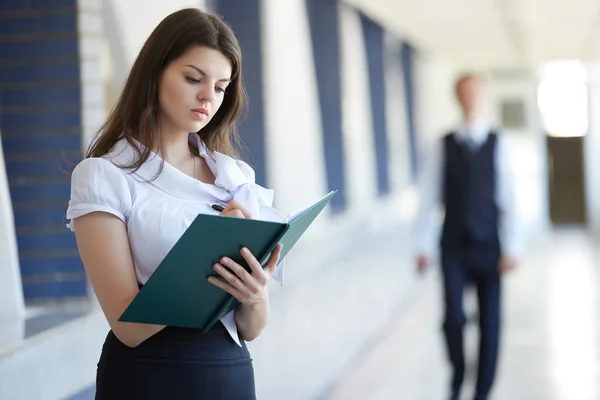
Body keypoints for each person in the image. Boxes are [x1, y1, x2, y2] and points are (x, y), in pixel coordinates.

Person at [66, 8, 286, 399]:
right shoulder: (103, 176)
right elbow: (128, 326)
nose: (208, 97)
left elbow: (250, 328)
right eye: (193, 78)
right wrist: (212, 253)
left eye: (221, 86)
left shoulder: (234, 177)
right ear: (155, 73)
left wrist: (254, 294)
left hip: (230, 373)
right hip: (148, 376)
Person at [414, 73, 522, 400]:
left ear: (482, 95)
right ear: (457, 98)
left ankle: (482, 391)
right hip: (454, 244)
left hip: (490, 244)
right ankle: (458, 371)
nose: (470, 97)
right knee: (454, 317)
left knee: (491, 321)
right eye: (464, 92)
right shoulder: (443, 143)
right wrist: (422, 245)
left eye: (475, 91)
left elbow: (509, 197)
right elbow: (429, 196)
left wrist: (514, 246)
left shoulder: (498, 142)